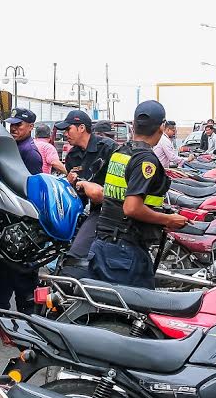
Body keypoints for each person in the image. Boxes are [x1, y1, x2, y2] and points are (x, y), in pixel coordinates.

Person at [79, 101, 187, 288]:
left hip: (104, 245)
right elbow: (131, 208)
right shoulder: (145, 160)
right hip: (124, 252)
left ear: (134, 125)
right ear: (161, 127)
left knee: (110, 304)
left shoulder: (120, 153)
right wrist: (168, 220)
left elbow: (117, 197)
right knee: (138, 305)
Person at [0, 108, 42, 322]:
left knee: (20, 271)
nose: (13, 128)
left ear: (30, 127)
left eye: (18, 125)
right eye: (12, 124)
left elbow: (27, 190)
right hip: (4, 218)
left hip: (20, 222)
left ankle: (27, 317)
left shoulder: (29, 153)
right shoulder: (9, 147)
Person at [55, 110, 117, 261]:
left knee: (76, 256)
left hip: (113, 209)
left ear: (81, 128)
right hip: (91, 209)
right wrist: (70, 184)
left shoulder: (108, 148)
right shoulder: (72, 156)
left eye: (68, 129)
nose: (65, 134)